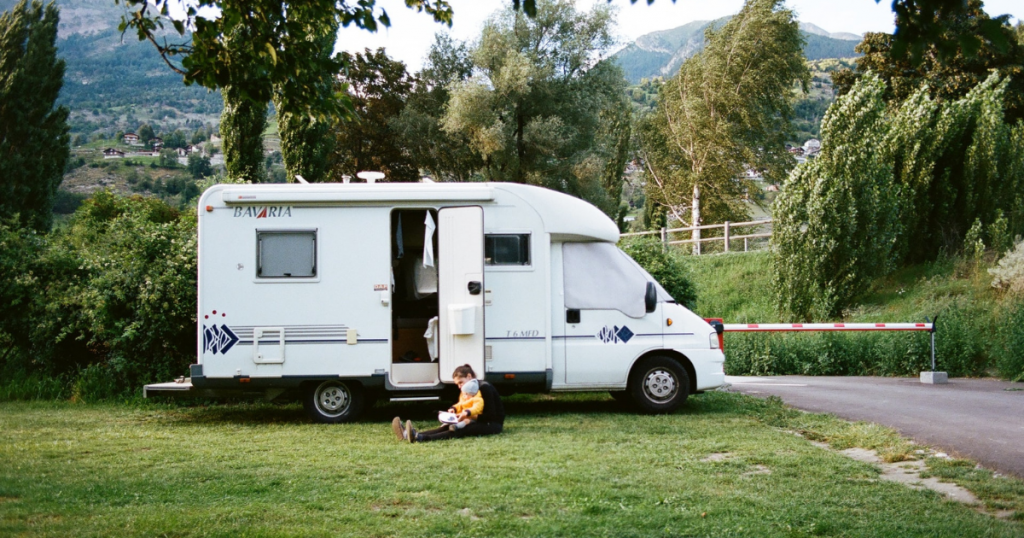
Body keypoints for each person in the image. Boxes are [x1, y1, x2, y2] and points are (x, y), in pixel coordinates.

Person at [391, 364, 505, 443]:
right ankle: (412, 434)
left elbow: (491, 416)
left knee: (457, 429)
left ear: (469, 376)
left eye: (461, 382)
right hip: (474, 419)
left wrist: (467, 416)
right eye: (457, 385)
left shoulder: (484, 388)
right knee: (448, 425)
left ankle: (421, 438)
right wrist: (454, 410)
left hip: (492, 424)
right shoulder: (468, 390)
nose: (460, 387)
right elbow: (461, 405)